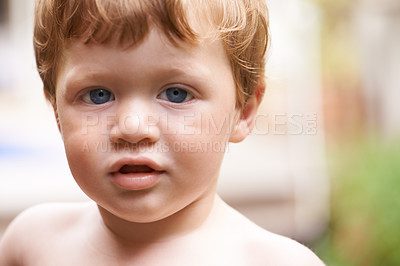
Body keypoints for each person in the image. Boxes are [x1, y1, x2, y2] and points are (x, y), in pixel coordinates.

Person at [0, 0, 325, 265]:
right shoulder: (31, 245)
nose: (132, 127)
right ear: (57, 111)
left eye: (176, 94)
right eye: (98, 95)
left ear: (244, 111)